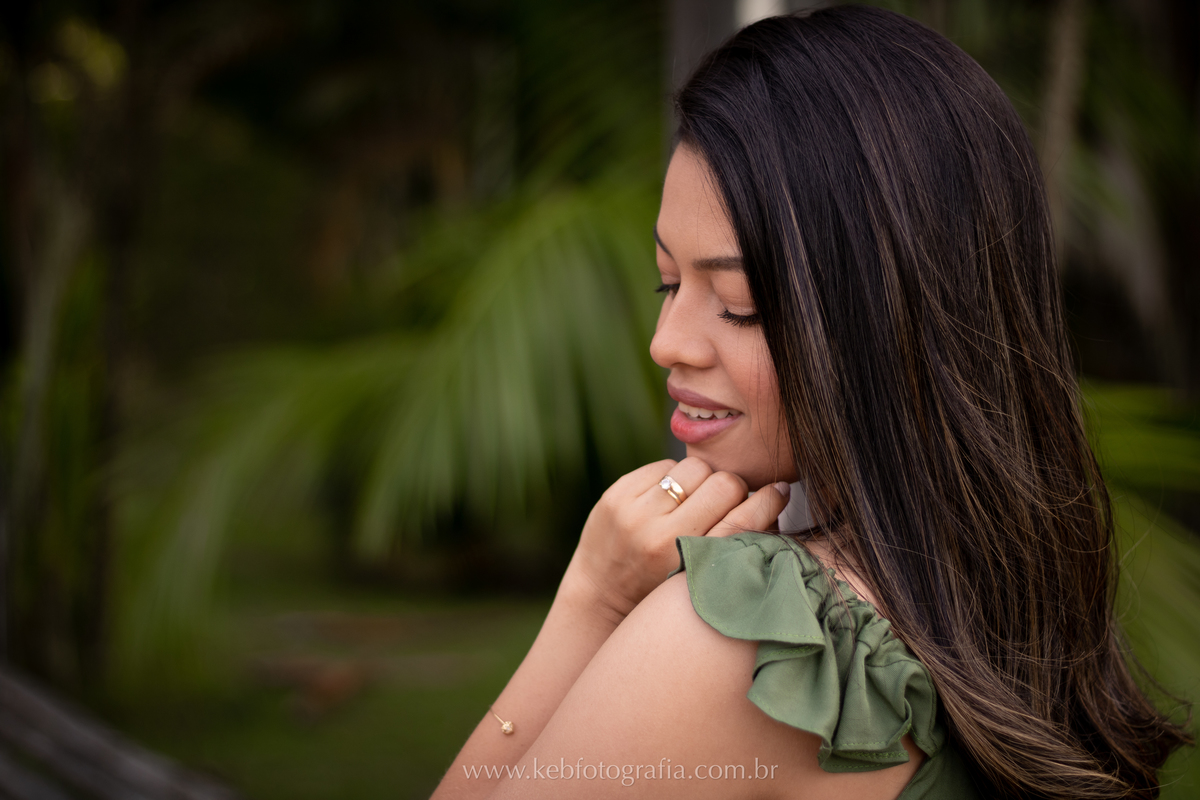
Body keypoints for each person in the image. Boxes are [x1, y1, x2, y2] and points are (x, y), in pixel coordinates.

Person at [430, 6, 1192, 799]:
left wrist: (592, 603)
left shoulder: (744, 648)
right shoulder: (1011, 603)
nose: (667, 342)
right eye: (668, 281)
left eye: (738, 301)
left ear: (889, 320)